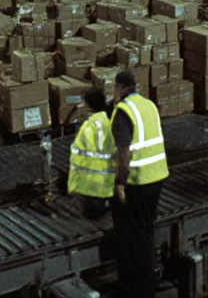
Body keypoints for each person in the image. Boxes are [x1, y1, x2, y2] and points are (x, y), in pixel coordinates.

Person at [111, 70, 168, 298]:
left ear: (120, 88)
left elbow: (124, 153)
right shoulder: (149, 105)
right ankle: (147, 284)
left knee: (133, 238)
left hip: (139, 180)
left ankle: (139, 289)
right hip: (157, 177)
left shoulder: (123, 112)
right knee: (145, 231)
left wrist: (119, 184)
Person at [68, 89, 114, 219]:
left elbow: (81, 152)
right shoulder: (109, 121)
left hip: (91, 182)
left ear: (88, 106)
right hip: (108, 181)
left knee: (91, 214)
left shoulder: (89, 126)